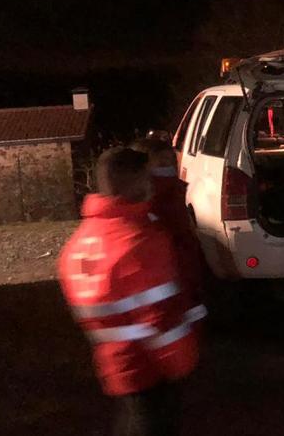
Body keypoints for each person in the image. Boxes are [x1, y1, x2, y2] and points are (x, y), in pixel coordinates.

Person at [58, 147, 206, 436]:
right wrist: (185, 364)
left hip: (117, 372)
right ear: (136, 182)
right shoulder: (138, 244)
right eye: (148, 177)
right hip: (152, 373)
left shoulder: (76, 246)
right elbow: (162, 321)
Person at [130, 138, 203, 302]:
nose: (168, 166)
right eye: (163, 162)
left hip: (173, 278)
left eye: (168, 161)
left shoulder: (149, 197)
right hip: (181, 276)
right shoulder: (174, 192)